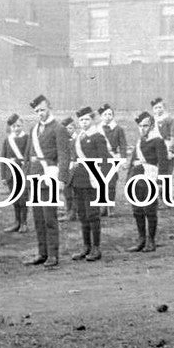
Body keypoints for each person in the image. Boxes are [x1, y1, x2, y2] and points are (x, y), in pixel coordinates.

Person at [25, 95, 71, 267]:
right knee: (38, 218)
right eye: (37, 111)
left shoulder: (58, 129)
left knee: (49, 218)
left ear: (49, 107)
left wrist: (61, 179)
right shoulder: (34, 129)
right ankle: (42, 252)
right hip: (35, 178)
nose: (40, 113)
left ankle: (53, 254)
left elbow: (64, 156)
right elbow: (27, 156)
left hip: (49, 176)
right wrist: (26, 177)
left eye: (42, 110)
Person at [68, 106, 109, 261]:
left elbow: (105, 161)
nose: (84, 122)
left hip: (92, 180)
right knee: (82, 215)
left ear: (92, 120)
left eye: (86, 119)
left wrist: (101, 180)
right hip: (79, 180)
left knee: (93, 215)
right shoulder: (78, 137)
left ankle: (96, 248)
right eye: (81, 120)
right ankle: (86, 246)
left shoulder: (98, 137)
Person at [125, 111, 166, 252]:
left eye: (146, 125)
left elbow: (163, 163)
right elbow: (132, 163)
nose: (143, 128)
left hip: (150, 177)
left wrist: (161, 183)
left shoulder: (158, 140)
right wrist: (127, 180)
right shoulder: (139, 141)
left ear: (152, 125)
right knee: (137, 210)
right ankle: (141, 239)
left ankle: (151, 240)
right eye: (141, 126)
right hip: (136, 179)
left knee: (150, 210)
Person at [0, 113, 30, 233]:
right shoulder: (8, 140)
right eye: (13, 126)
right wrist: (3, 176)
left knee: (23, 198)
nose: (16, 128)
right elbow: (3, 158)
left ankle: (24, 222)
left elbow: (28, 157)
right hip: (10, 173)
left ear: (22, 125)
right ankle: (16, 222)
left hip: (22, 172)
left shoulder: (27, 138)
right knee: (14, 199)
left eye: (18, 126)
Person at [98, 103, 126, 213]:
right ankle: (103, 206)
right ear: (101, 116)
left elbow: (123, 145)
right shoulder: (97, 129)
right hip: (100, 158)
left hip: (112, 157)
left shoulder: (118, 129)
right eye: (105, 114)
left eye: (110, 114)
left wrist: (123, 160)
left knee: (111, 182)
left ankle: (110, 206)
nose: (108, 116)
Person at [150, 97, 174, 173]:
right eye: (156, 108)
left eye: (160, 107)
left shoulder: (170, 120)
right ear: (153, 110)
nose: (158, 109)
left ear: (164, 108)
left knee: (168, 166)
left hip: (167, 145)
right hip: (155, 145)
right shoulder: (151, 121)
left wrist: (171, 150)